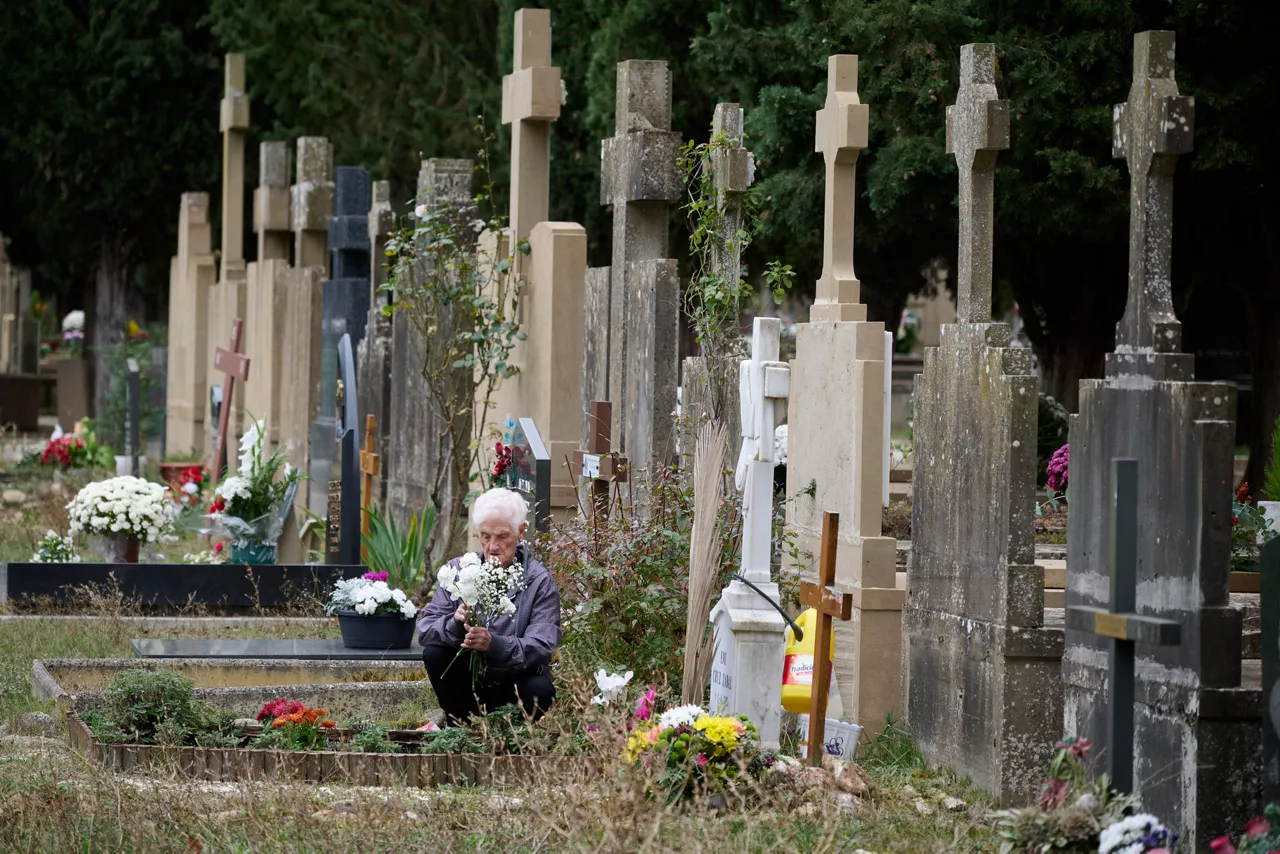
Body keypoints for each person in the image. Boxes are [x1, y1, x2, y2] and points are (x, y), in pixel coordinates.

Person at [417, 487, 561, 724]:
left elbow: (541, 647)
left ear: (521, 532)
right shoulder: (459, 570)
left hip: (515, 681)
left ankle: (515, 736)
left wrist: (494, 645)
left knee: (541, 689)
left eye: (502, 536)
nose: (492, 546)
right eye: (485, 536)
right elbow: (425, 629)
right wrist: (454, 624)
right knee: (435, 653)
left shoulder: (539, 581)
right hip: (468, 682)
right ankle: (461, 727)